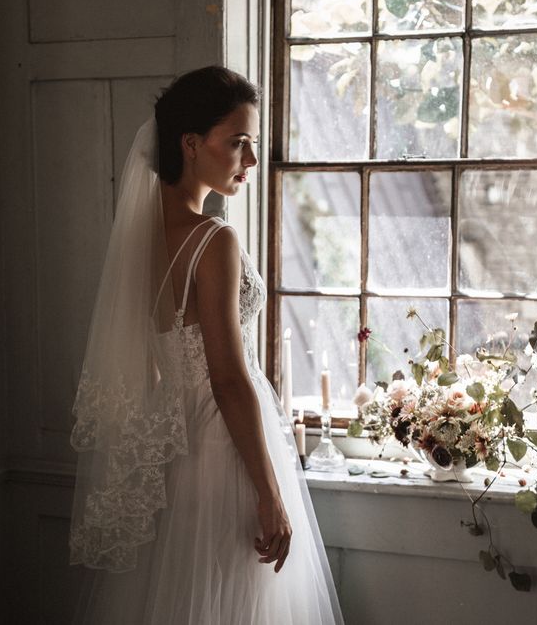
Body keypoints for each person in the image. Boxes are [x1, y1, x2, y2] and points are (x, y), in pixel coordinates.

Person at [69, 66, 344, 624]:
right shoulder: (214, 238)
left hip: (178, 445)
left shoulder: (139, 243)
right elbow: (227, 377)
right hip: (225, 446)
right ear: (191, 144)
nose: (250, 160)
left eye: (253, 144)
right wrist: (269, 493)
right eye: (238, 142)